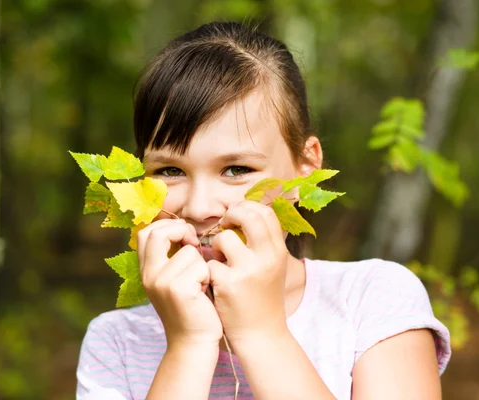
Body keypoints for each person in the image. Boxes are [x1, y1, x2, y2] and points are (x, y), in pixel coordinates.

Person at [76, 21, 451, 400]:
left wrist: (261, 333)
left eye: (237, 169)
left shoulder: (373, 299)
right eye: (170, 171)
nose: (200, 207)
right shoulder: (116, 343)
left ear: (306, 166)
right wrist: (188, 345)